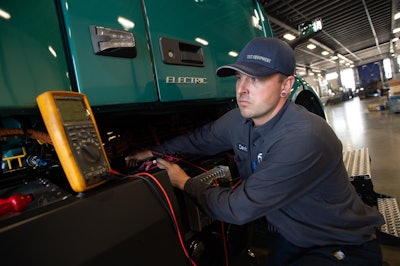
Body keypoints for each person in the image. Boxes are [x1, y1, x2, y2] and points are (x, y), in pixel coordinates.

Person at [126, 37, 384, 265]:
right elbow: (199, 140)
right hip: (297, 235)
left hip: (342, 243)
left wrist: (184, 182)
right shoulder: (239, 120)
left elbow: (238, 209)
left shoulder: (303, 137)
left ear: (286, 86)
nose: (242, 89)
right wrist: (153, 151)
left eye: (256, 78)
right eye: (239, 78)